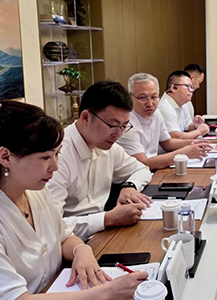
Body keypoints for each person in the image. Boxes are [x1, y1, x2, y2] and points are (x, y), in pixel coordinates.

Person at [0, 101, 147, 300]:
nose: (55, 167)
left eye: (57, 154)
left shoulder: (34, 191)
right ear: (5, 156)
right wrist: (108, 293)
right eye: (45, 157)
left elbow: (64, 236)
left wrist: (81, 250)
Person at [48, 81, 153, 241]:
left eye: (124, 126)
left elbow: (142, 169)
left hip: (103, 233)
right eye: (113, 125)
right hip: (72, 243)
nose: (118, 134)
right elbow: (51, 227)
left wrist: (129, 186)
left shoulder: (107, 146)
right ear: (85, 117)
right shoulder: (57, 156)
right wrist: (107, 219)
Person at [118, 73, 211, 170]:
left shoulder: (156, 114)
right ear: (130, 97)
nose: (149, 104)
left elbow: (167, 143)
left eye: (154, 97)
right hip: (135, 173)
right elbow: (143, 163)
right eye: (142, 97)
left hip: (154, 169)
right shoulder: (125, 123)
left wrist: (192, 143)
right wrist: (184, 153)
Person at [158, 70, 210, 139]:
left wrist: (195, 125)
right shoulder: (165, 108)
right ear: (173, 88)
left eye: (192, 87)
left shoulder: (183, 104)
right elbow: (176, 137)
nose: (191, 91)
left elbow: (187, 127)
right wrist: (199, 131)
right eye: (187, 86)